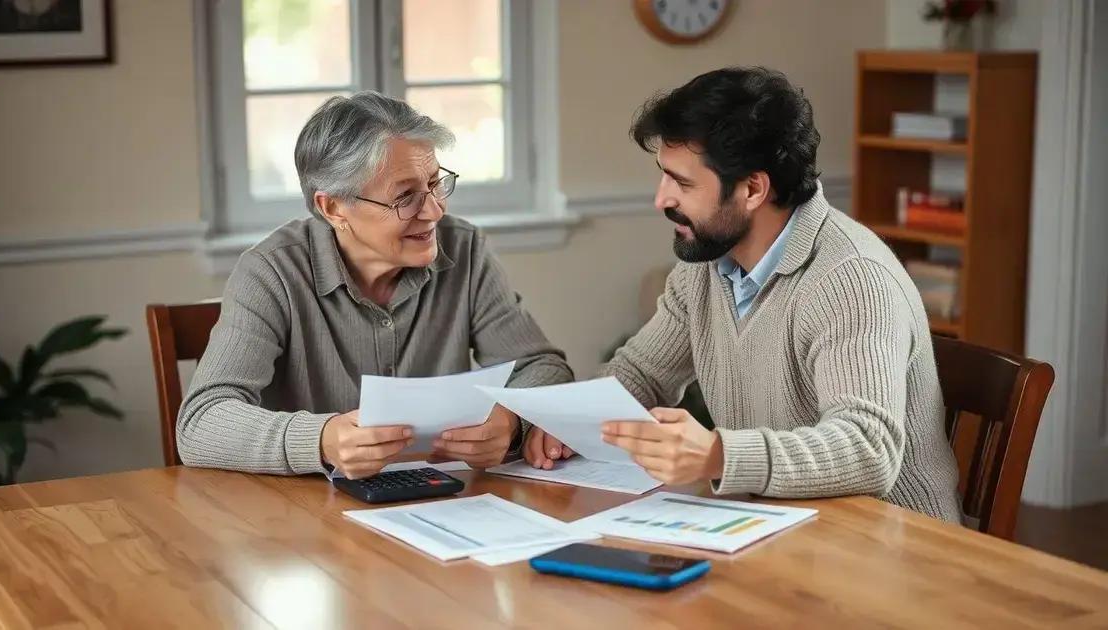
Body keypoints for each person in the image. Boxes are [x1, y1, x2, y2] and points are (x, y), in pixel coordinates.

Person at [524, 67, 961, 522]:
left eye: (682, 183)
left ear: (753, 189)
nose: (661, 199)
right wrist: (571, 421)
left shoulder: (851, 279)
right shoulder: (706, 267)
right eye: (664, 176)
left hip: (891, 545)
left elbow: (868, 449)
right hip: (778, 526)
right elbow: (641, 372)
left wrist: (719, 455)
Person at [179, 91, 573, 479]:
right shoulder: (271, 272)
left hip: (443, 499)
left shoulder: (465, 249)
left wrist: (512, 419)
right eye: (405, 197)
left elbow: (542, 366)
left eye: (435, 183)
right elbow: (200, 423)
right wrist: (321, 440)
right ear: (333, 208)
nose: (434, 211)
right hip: (303, 509)